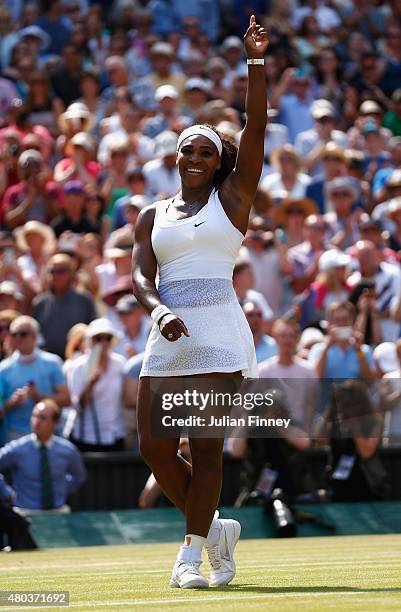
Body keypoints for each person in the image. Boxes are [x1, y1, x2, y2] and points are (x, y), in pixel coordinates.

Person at [131, 15, 269, 589]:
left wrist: (255, 62)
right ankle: (216, 529)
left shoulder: (234, 199)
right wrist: (159, 311)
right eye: (186, 149)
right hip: (168, 330)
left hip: (218, 330)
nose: (193, 157)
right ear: (176, 157)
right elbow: (141, 278)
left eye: (205, 152)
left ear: (219, 163)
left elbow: (256, 124)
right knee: (155, 450)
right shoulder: (150, 215)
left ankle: (192, 552)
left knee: (205, 447)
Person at [0, 399, 86, 513]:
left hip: (58, 512)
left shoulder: (68, 450)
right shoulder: (18, 448)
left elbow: (79, 476)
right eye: (34, 416)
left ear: (55, 423)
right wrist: (6, 493)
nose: (36, 421)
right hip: (25, 513)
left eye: (43, 418)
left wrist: (61, 490)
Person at [0, 316, 69, 443]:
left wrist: (39, 397)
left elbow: (66, 399)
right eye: (14, 334)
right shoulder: (3, 368)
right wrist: (12, 402)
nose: (18, 338)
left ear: (35, 336)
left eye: (23, 334)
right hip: (15, 436)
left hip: (49, 435)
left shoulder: (53, 362)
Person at [68, 318, 126, 452]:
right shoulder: (79, 366)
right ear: (90, 341)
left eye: (108, 338)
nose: (103, 342)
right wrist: (91, 384)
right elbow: (78, 406)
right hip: (87, 437)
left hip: (115, 435)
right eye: (98, 338)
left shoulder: (120, 363)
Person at [32, 254, 97, 359]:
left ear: (71, 274)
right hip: (47, 364)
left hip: (77, 361)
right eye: (52, 271)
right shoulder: (39, 303)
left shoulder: (84, 300)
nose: (56, 275)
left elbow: (93, 331)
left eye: (61, 271)